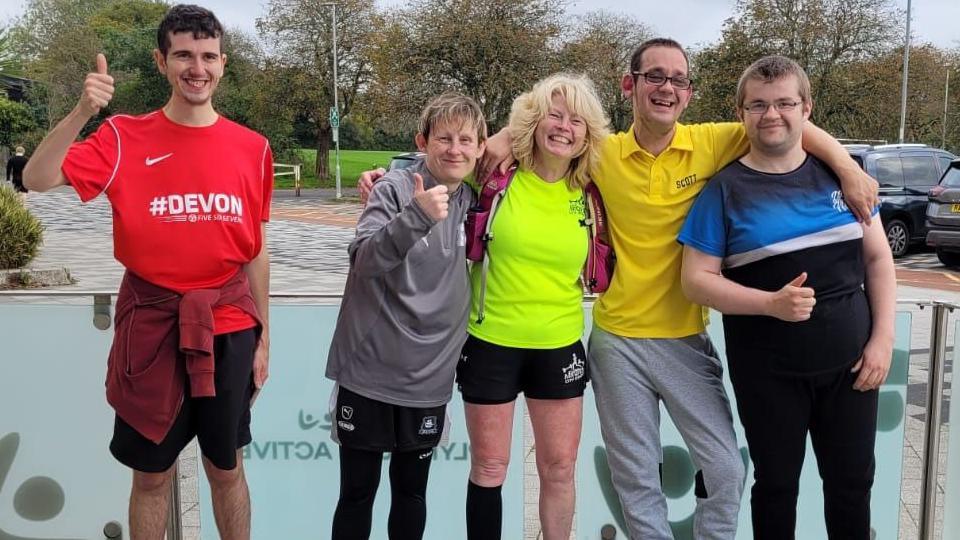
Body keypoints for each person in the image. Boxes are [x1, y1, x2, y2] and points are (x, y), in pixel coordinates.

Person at [473, 38, 880, 539]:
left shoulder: (713, 142)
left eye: (678, 80)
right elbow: (552, 130)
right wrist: (500, 137)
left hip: (684, 339)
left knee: (727, 469)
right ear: (631, 85)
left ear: (689, 93)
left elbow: (789, 121)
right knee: (638, 481)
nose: (667, 88)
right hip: (617, 342)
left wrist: (847, 168)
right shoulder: (602, 154)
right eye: (654, 77)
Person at [23, 5, 271, 539]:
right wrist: (81, 111)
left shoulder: (253, 149)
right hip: (152, 325)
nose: (196, 67)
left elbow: (256, 250)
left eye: (207, 56)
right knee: (151, 476)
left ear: (223, 64)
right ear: (162, 61)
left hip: (228, 324)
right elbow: (37, 178)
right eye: (183, 54)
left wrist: (264, 338)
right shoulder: (121, 138)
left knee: (225, 469)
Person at [678, 55, 895, 539]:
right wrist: (769, 303)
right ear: (741, 113)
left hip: (852, 370)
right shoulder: (724, 191)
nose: (771, 114)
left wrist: (883, 341)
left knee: (852, 485)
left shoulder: (847, 179)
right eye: (758, 105)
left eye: (784, 103)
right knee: (776, 487)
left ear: (806, 108)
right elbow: (695, 280)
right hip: (768, 374)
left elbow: (879, 260)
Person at [325, 92, 485, 540]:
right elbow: (364, 259)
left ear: (479, 147)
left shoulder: (473, 200)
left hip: (429, 378)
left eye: (466, 140)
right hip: (370, 370)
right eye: (444, 138)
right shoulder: (393, 189)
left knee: (411, 495)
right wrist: (415, 216)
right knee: (358, 492)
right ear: (422, 141)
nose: (454, 149)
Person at [456, 73, 608, 540]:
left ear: (588, 133)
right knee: (490, 465)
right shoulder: (496, 176)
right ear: (534, 121)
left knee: (559, 468)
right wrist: (383, 181)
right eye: (554, 115)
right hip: (490, 341)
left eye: (577, 121)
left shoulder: (590, 191)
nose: (565, 127)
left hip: (559, 345)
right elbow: (440, 161)